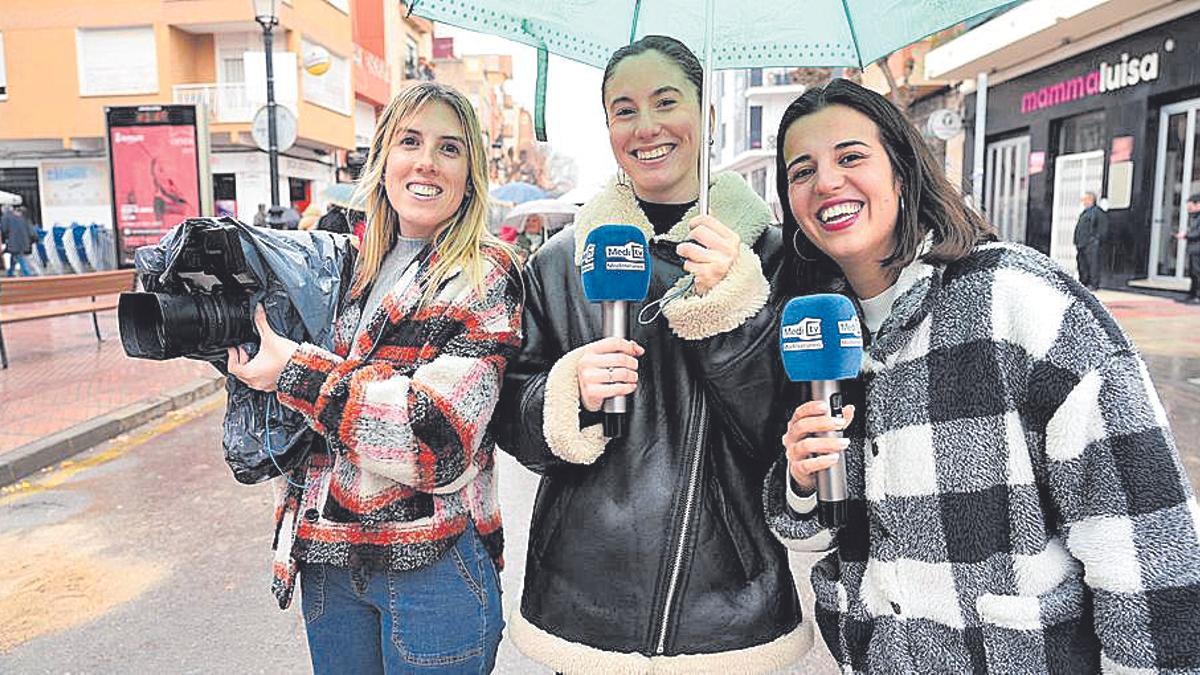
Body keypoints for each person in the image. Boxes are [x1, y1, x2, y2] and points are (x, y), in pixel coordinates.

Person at [765, 79, 1200, 673]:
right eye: (801, 170)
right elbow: (811, 539)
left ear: (902, 167)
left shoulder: (1016, 299)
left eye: (850, 157)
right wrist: (802, 480)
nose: (827, 183)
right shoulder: (813, 328)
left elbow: (1143, 536)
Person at [492, 35, 811, 673]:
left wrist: (730, 314)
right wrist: (564, 393)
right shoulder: (559, 262)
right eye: (623, 110)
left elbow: (781, 435)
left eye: (667, 102)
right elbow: (512, 421)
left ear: (708, 116)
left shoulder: (780, 261)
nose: (647, 127)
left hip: (732, 611)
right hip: (584, 600)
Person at [225, 82, 522, 674]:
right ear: (383, 156)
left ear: (471, 173)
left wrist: (295, 372)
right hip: (330, 565)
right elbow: (298, 420)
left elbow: (436, 438)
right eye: (410, 141)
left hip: (431, 568)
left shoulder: (483, 273)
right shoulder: (341, 269)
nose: (426, 162)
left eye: (450, 148)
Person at [1073, 191, 1106, 291]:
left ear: (1091, 200)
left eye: (1085, 199)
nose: (1083, 201)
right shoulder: (1085, 212)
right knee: (1082, 264)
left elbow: (1102, 228)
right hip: (1081, 244)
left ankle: (1093, 284)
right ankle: (1084, 282)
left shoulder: (1097, 212)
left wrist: (1095, 240)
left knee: (1092, 264)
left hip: (1091, 244)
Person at [1175, 193, 1200, 303]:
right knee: (1192, 273)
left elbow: (1197, 233)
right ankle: (1192, 294)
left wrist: (1185, 235)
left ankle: (1197, 296)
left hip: (1198, 250)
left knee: (1197, 272)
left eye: (1190, 206)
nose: (1189, 209)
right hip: (1193, 249)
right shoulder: (1195, 217)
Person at [1, 205, 36, 277]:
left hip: (15, 242)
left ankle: (27, 275)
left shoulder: (6, 217)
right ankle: (10, 273)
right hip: (23, 241)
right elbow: (30, 230)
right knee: (14, 258)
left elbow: (4, 229)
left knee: (20, 258)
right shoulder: (22, 217)